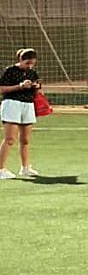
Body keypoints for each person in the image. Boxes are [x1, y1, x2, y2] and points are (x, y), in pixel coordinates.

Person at [0, 47, 43, 179]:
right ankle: (1, 168)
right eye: (27, 63)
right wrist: (20, 86)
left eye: (32, 63)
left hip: (28, 105)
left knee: (25, 139)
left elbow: (38, 91)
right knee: (10, 139)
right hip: (12, 104)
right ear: (21, 60)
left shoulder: (32, 73)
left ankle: (25, 167)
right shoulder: (10, 71)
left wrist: (36, 87)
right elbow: (1, 88)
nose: (29, 66)